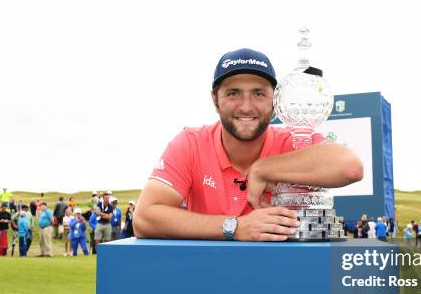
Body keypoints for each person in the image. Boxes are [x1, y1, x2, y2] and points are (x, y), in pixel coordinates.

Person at [133, 48, 363, 240]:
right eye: (233, 93)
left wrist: (263, 169)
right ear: (215, 99)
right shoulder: (191, 143)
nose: (246, 107)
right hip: (209, 278)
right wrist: (235, 227)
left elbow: (350, 167)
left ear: (275, 101)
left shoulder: (293, 141)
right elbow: (144, 219)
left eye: (258, 94)